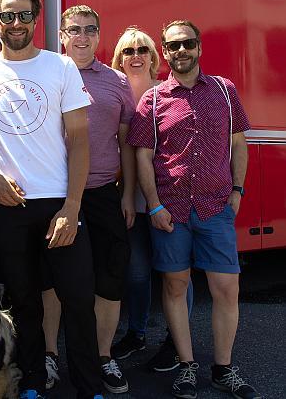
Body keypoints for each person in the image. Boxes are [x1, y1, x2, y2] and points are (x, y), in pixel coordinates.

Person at [0, 0, 103, 399]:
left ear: (36, 18)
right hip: (5, 206)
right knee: (23, 305)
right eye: (7, 15)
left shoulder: (61, 67)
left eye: (24, 14)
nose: (16, 22)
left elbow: (79, 140)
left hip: (59, 204)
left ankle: (89, 387)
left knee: (77, 301)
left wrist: (72, 207)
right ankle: (34, 383)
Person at [127, 20, 262, 399]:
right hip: (170, 211)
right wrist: (153, 206)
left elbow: (239, 143)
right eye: (172, 46)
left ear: (198, 46)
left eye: (187, 43)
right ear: (165, 53)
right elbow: (143, 154)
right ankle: (186, 366)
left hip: (215, 206)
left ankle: (223, 369)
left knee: (226, 290)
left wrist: (237, 190)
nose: (180, 51)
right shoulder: (152, 100)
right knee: (175, 286)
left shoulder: (224, 89)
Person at [42, 5, 135, 394]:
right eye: (74, 30)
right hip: (54, 192)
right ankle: (49, 356)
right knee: (51, 279)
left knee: (109, 278)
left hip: (101, 194)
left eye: (90, 30)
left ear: (99, 35)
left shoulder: (116, 81)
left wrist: (129, 193)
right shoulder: (44, 73)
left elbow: (128, 143)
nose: (82, 36)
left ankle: (103, 356)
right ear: (62, 35)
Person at [110, 27, 194, 372]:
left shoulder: (165, 94)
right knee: (137, 273)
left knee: (177, 275)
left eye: (142, 49)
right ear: (119, 58)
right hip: (127, 201)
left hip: (165, 200)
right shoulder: (111, 93)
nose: (135, 55)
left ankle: (178, 342)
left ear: (153, 56)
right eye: (127, 50)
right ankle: (137, 333)